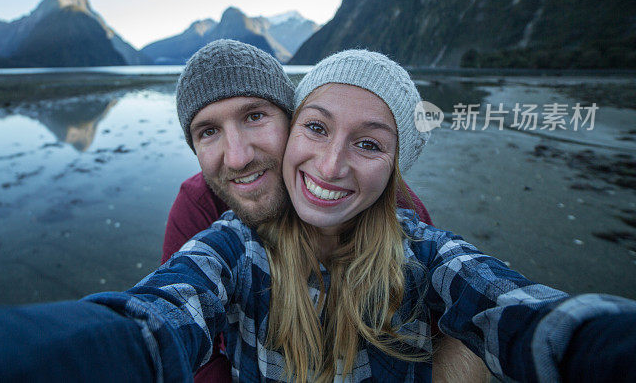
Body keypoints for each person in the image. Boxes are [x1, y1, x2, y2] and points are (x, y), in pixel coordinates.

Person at [0, 48, 636, 382]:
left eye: (260, 116)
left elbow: (522, 313)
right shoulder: (223, 236)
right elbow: (154, 324)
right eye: (206, 133)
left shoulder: (410, 229)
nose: (327, 167)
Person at [162, 40, 483, 381]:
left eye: (255, 116)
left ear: (291, 118)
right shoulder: (200, 207)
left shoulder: (390, 204)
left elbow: (458, 322)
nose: (238, 157)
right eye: (208, 131)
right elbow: (180, 319)